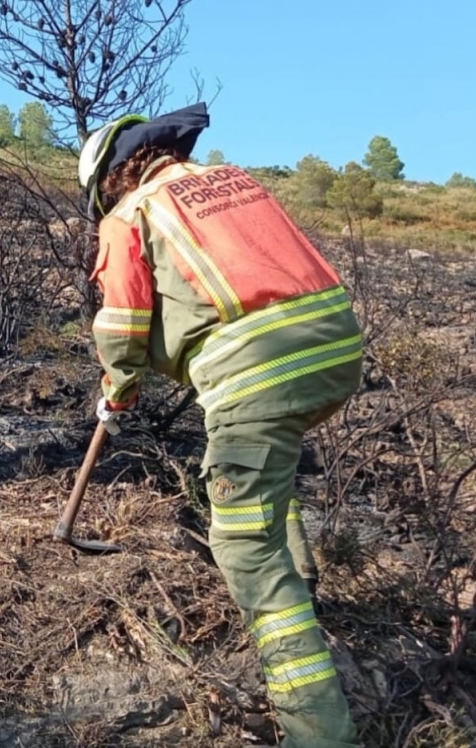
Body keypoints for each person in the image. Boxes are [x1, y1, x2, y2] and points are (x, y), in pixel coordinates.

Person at [79, 103, 362, 748]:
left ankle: (320, 732)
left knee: (242, 546)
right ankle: (305, 589)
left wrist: (116, 392)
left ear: (111, 179)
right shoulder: (238, 184)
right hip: (337, 352)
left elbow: (122, 326)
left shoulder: (132, 214)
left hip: (257, 373)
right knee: (267, 473)